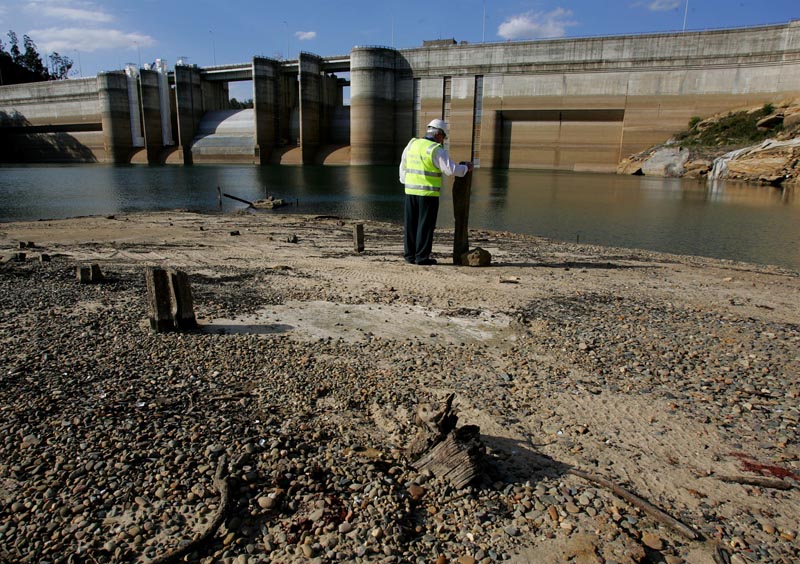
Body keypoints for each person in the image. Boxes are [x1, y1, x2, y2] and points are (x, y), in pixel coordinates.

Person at [399, 119, 473, 265]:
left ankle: (409, 256)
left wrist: (406, 182)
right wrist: (466, 169)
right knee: (425, 226)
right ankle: (421, 257)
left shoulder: (412, 144)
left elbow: (403, 166)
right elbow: (450, 170)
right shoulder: (435, 149)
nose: (443, 140)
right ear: (439, 134)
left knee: (411, 224)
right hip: (428, 195)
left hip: (410, 192)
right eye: (444, 137)